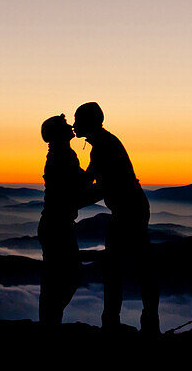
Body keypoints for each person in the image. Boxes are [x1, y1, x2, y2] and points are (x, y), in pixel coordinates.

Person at [72, 101, 159, 335]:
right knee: (134, 267)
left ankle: (114, 325)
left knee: (118, 268)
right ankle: (142, 321)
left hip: (129, 211)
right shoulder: (102, 143)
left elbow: (101, 187)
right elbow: (92, 178)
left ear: (89, 122)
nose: (73, 125)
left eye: (77, 120)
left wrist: (70, 204)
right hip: (132, 208)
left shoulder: (103, 146)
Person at [36, 113, 87, 326]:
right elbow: (77, 187)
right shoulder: (61, 155)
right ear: (58, 133)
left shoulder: (63, 153)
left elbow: (80, 181)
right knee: (65, 278)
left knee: (57, 279)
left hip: (55, 224)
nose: (71, 127)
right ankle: (50, 324)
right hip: (57, 226)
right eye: (66, 125)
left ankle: (50, 323)